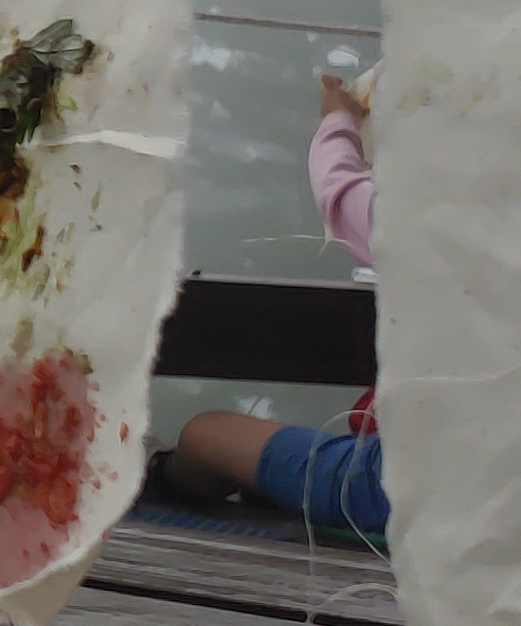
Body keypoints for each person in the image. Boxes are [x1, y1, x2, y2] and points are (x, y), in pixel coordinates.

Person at [162, 70, 388, 538]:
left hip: (395, 487)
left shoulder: (437, 225)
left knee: (204, 434)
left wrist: (339, 120)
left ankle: (158, 495)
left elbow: (340, 191)